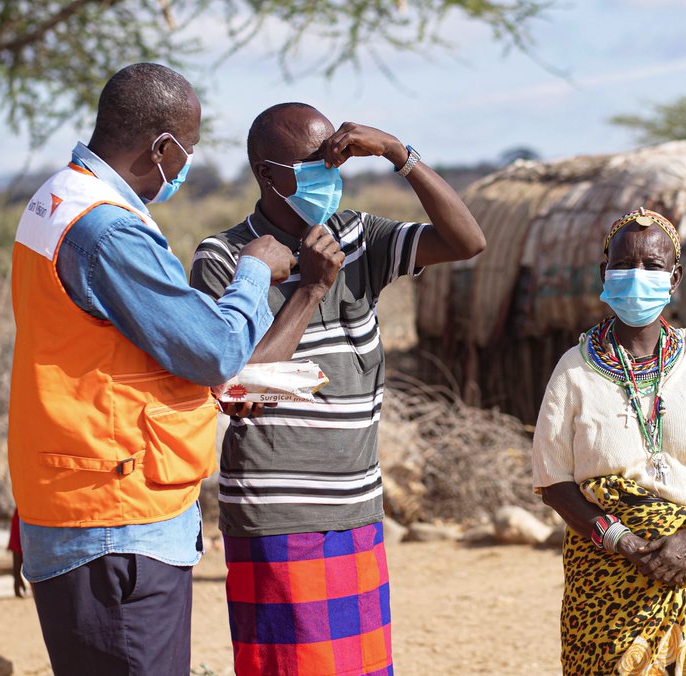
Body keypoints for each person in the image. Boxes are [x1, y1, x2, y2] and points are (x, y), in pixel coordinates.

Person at [7, 62, 295, 675]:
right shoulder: (106, 230)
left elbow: (105, 354)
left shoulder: (55, 198)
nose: (186, 165)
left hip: (80, 499)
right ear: (163, 148)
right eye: (186, 151)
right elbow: (213, 348)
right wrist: (253, 272)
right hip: (117, 519)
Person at [188, 102, 485, 676]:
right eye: (312, 164)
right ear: (268, 174)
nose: (330, 175)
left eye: (335, 160)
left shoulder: (357, 235)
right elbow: (232, 387)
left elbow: (467, 241)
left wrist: (401, 155)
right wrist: (310, 290)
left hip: (355, 505)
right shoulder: (226, 258)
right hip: (278, 513)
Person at [531, 207, 686, 675]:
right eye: (624, 265)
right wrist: (620, 540)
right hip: (606, 572)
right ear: (605, 273)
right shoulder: (573, 371)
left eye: (652, 266)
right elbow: (553, 481)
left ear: (674, 278)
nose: (637, 276)